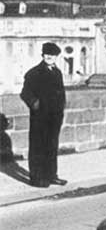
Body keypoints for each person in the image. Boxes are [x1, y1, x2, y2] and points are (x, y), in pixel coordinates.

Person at [20, 42, 67, 187]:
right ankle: (37, 178)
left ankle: (51, 175)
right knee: (38, 146)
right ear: (42, 55)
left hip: (55, 117)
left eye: (52, 55)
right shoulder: (34, 73)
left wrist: (61, 108)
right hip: (40, 117)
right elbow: (25, 93)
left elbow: (61, 92)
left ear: (56, 57)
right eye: (47, 54)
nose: (49, 57)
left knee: (52, 145)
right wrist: (35, 104)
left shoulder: (57, 72)